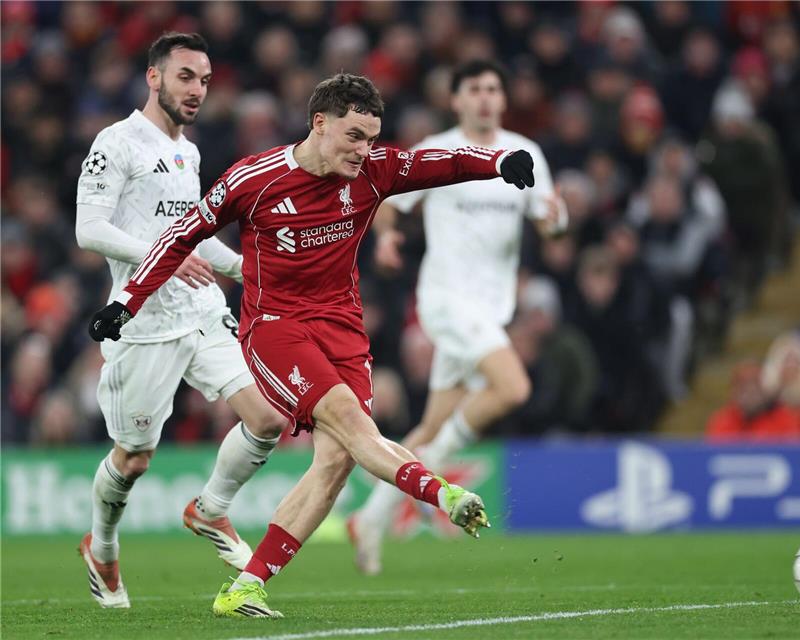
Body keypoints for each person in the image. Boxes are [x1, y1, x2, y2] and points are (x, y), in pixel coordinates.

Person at [88, 72, 536, 618]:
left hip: (342, 327)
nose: (363, 150)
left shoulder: (375, 172)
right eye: (353, 135)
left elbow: (443, 162)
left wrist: (497, 163)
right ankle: (442, 494)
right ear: (319, 123)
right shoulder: (255, 179)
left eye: (372, 137)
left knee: (338, 458)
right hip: (274, 326)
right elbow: (182, 235)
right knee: (349, 419)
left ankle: (245, 588)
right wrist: (128, 300)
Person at [75, 33, 305, 609]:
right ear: (153, 78)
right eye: (185, 77)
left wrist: (255, 272)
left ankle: (209, 511)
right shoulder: (116, 143)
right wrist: (167, 261)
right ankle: (101, 547)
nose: (197, 90)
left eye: (204, 79)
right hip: (143, 322)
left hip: (202, 315)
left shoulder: (190, 151)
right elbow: (89, 229)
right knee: (134, 459)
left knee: (271, 416)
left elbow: (195, 242)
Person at [347, 60, 565, 576]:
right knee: (512, 388)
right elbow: (389, 199)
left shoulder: (525, 153)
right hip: (447, 301)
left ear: (504, 100)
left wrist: (557, 223)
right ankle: (439, 489)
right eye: (475, 89)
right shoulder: (436, 151)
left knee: (432, 426)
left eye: (494, 88)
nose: (486, 97)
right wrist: (388, 237)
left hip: (491, 311)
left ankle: (371, 518)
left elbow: (549, 222)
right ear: (457, 100)